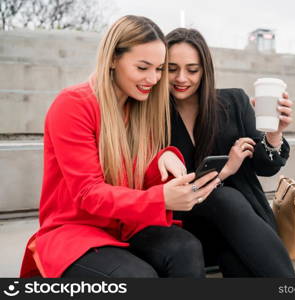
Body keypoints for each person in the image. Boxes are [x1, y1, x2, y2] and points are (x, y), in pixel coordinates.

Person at [19, 16, 220, 278]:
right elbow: (89, 193)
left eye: (159, 69)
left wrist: (164, 157)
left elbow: (134, 177)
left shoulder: (140, 108)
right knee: (137, 276)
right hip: (76, 231)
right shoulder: (72, 105)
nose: (153, 78)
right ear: (113, 59)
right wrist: (161, 198)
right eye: (143, 67)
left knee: (186, 247)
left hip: (125, 226)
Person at [166, 28, 295, 277]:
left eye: (192, 70)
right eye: (172, 69)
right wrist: (225, 171)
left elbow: (265, 166)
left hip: (243, 227)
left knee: (238, 262)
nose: (181, 78)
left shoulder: (234, 102)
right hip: (189, 226)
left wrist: (274, 134)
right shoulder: (153, 118)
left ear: (205, 71)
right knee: (226, 198)